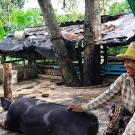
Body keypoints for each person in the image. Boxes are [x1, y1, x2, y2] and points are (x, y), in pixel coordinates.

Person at [69, 41, 135, 135]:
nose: (125, 65)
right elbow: (106, 96)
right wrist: (83, 108)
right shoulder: (124, 78)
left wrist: (127, 133)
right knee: (117, 110)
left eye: (129, 62)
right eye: (125, 61)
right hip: (130, 114)